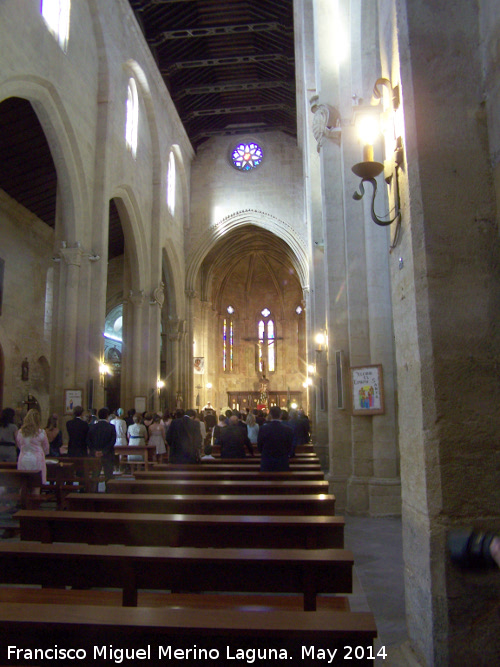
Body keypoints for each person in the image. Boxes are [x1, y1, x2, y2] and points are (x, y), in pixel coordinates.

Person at [16, 409, 49, 488]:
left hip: (23, 458)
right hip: (36, 459)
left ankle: (23, 500)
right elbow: (46, 448)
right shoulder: (41, 433)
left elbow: (19, 445)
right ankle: (35, 499)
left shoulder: (20, 432)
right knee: (36, 485)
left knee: (23, 484)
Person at [86, 407, 116, 487]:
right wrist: (104, 452)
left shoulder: (92, 427)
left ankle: (94, 492)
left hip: (95, 454)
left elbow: (88, 441)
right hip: (108, 454)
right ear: (107, 416)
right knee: (108, 475)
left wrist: (95, 451)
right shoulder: (111, 427)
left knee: (95, 474)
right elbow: (112, 442)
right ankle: (108, 492)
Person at [257, 404, 294, 471]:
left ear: (270, 415)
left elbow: (259, 446)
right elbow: (290, 446)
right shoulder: (288, 429)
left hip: (267, 462)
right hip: (282, 462)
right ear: (281, 415)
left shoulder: (263, 429)